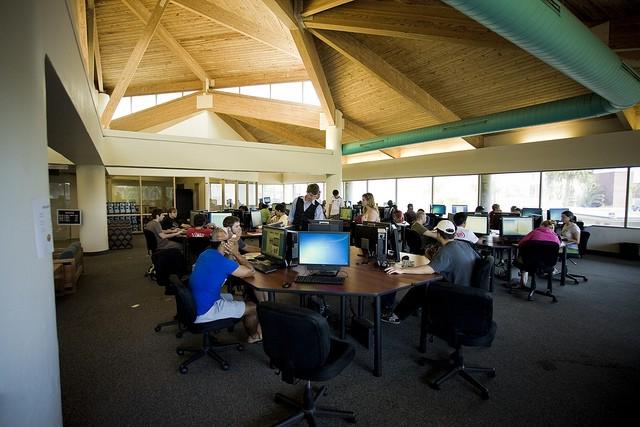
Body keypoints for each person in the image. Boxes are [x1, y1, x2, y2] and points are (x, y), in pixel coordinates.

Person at [382, 220, 480, 324]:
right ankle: (415, 307)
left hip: (456, 291)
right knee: (425, 285)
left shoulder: (446, 251)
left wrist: (401, 270)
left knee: (420, 288)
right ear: (453, 234)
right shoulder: (464, 244)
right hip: (470, 288)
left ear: (438, 234)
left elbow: (429, 269)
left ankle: (396, 316)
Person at [189, 227, 262, 343]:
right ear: (224, 243)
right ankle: (254, 337)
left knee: (241, 299)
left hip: (195, 302)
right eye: (230, 241)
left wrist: (229, 252)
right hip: (206, 310)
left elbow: (227, 264)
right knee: (254, 308)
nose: (233, 243)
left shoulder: (205, 253)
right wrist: (236, 253)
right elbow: (251, 271)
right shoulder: (221, 262)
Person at [514, 220, 561, 288]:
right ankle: (548, 289)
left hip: (529, 262)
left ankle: (523, 283)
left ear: (541, 226)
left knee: (521, 254)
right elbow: (557, 247)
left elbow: (521, 244)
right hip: (547, 264)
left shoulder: (534, 232)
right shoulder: (555, 236)